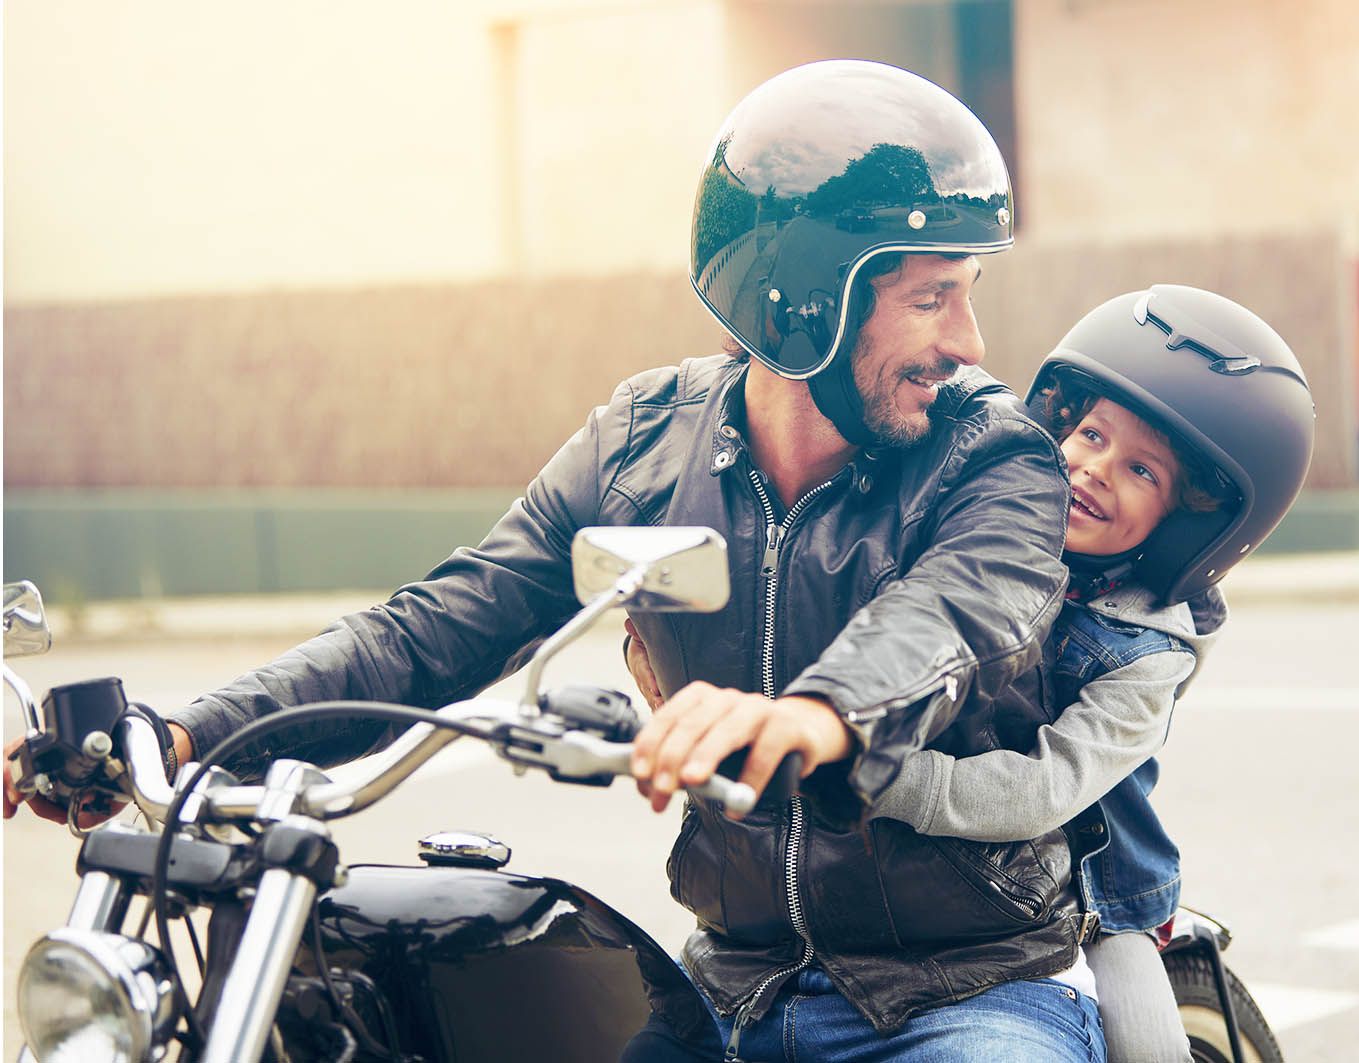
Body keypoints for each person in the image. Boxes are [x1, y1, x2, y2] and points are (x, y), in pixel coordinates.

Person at [8, 60, 1105, 1060]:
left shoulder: (993, 458)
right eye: (930, 296)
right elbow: (441, 624)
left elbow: (945, 618)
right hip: (739, 983)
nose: (966, 340)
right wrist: (191, 731)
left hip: (965, 990)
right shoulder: (639, 446)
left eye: (966, 293)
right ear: (805, 300)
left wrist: (814, 713)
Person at [628, 285, 1318, 1061]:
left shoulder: (1146, 654)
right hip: (874, 890)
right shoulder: (976, 530)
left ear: (1190, 523)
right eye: (1090, 434)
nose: (1093, 469)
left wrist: (864, 764)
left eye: (1142, 472)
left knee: (1144, 1039)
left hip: (1084, 887)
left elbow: (1041, 791)